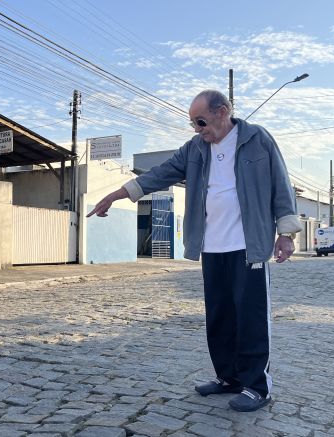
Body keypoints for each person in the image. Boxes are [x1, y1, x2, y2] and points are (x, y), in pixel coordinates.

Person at [87, 89, 300, 412]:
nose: (198, 129)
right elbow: (160, 173)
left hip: (249, 245)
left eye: (200, 121)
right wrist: (117, 194)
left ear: (223, 111)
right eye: (193, 124)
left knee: (251, 318)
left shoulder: (257, 139)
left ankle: (258, 386)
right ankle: (229, 378)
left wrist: (285, 233)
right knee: (219, 317)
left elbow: (280, 184)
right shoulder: (195, 149)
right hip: (212, 247)